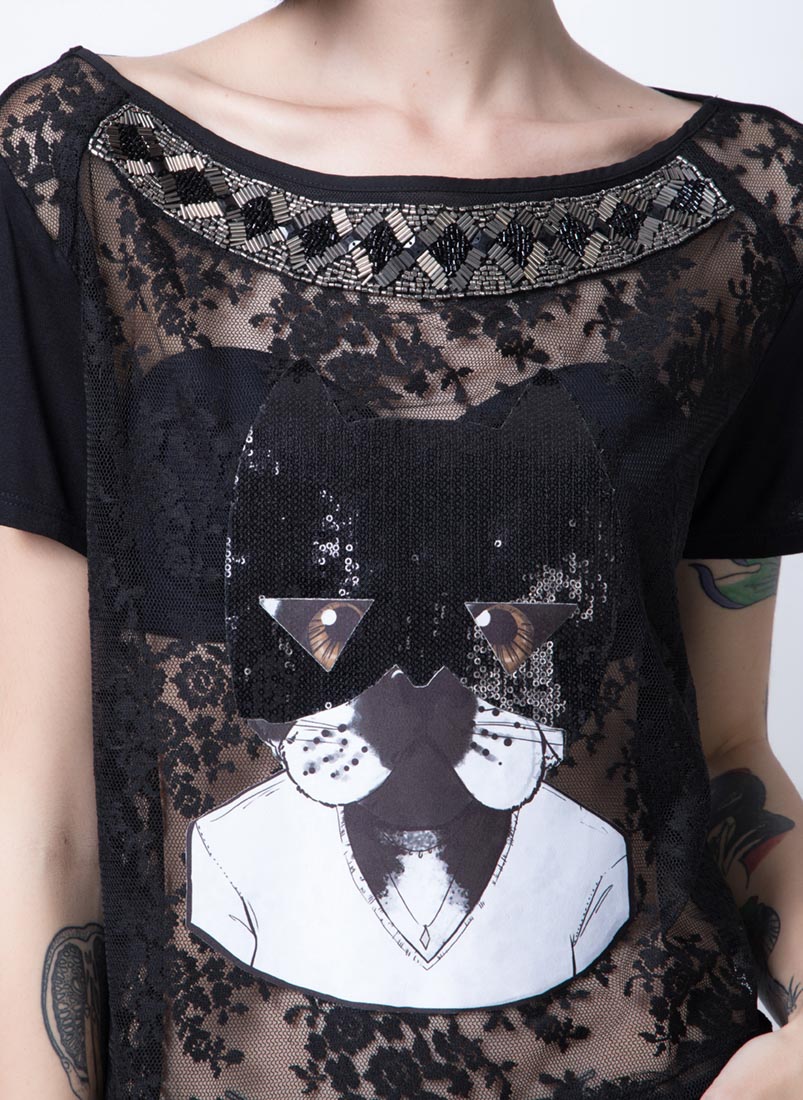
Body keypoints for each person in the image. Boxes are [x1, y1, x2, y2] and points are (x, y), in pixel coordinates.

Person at [0, 0, 802, 1096]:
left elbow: (725, 747)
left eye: (506, 625)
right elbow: (43, 820)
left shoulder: (749, 205)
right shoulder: (80, 165)